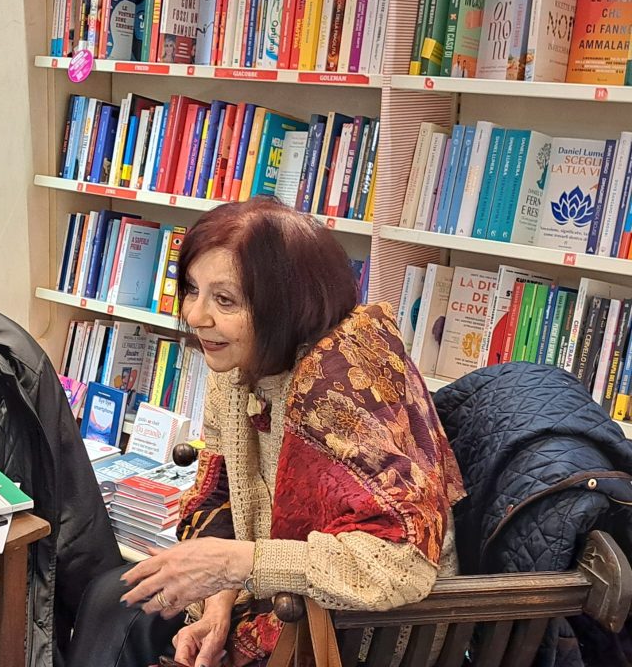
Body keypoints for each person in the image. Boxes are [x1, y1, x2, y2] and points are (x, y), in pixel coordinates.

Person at [67, 198, 465, 667]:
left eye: (225, 300)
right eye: (192, 289)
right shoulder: (241, 356)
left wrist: (235, 566)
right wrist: (217, 602)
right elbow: (220, 495)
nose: (195, 316)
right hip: (276, 590)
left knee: (126, 614)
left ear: (286, 304)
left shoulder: (342, 385)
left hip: (363, 628)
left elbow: (401, 563)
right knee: (114, 597)